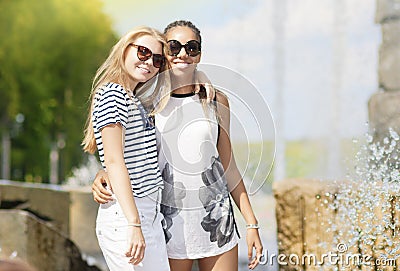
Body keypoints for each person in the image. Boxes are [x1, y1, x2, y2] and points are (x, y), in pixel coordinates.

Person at [91, 20, 263, 271]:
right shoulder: (146, 102)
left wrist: (251, 223)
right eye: (174, 47)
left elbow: (230, 167)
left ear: (200, 54)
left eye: (191, 47)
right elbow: (125, 152)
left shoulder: (216, 100)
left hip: (218, 221)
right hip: (167, 224)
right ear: (165, 55)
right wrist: (103, 173)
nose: (183, 53)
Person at [82, 26, 171, 271]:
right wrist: (133, 224)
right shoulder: (113, 94)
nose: (149, 62)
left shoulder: (133, 98)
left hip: (145, 214)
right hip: (127, 216)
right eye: (142, 52)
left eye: (157, 59)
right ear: (124, 49)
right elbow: (114, 161)